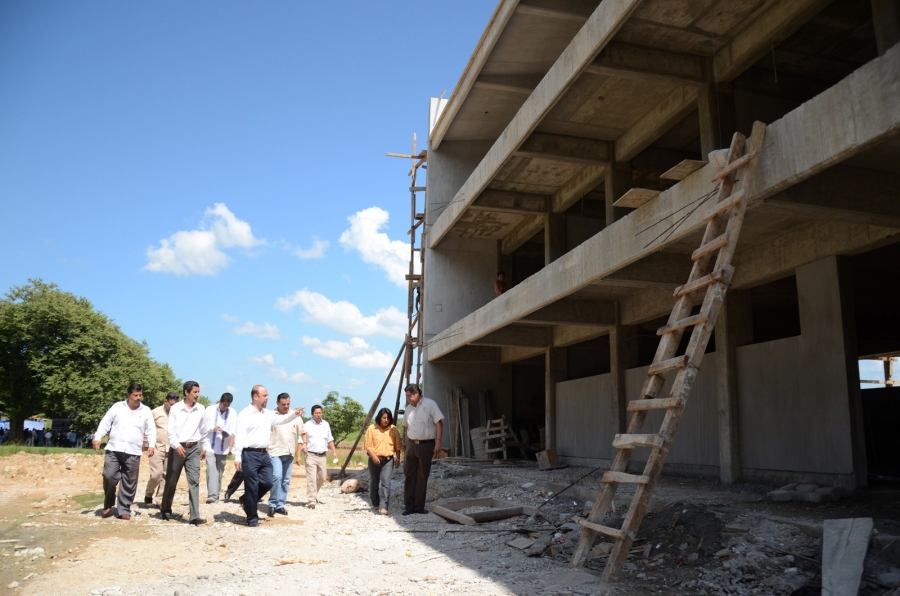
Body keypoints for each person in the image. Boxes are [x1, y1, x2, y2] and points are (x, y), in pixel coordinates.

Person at [233, 385, 304, 527]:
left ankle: (247, 501)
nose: (267, 398)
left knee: (268, 482)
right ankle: (252, 518)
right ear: (255, 397)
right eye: (265, 395)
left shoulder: (267, 414)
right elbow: (239, 436)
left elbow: (281, 420)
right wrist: (237, 456)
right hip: (250, 454)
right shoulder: (245, 414)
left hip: (264, 454)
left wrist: (294, 414)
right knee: (252, 486)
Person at [92, 383, 155, 520]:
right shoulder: (117, 407)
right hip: (114, 448)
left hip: (133, 450)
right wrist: (98, 437)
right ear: (128, 395)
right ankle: (108, 502)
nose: (138, 398)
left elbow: (151, 430)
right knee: (109, 476)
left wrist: (151, 445)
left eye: (140, 395)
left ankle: (124, 509)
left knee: (129, 481)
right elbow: (105, 422)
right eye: (135, 395)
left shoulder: (146, 411)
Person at [160, 381, 207, 526]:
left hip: (193, 448)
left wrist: (204, 447)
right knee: (172, 480)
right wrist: (176, 445)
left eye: (198, 392)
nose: (197, 395)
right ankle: (166, 509)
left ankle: (194, 515)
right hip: (177, 448)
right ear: (186, 392)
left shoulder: (201, 409)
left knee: (194, 480)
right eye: (195, 392)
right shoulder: (176, 409)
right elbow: (171, 431)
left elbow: (203, 429)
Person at [402, 384, 444, 516]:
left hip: (426, 445)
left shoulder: (430, 404)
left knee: (422, 475)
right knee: (409, 474)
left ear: (416, 394)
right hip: (411, 445)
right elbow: (406, 427)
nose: (408, 398)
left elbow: (439, 423)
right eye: (406, 396)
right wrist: (406, 445)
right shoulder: (408, 409)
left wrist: (438, 441)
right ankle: (409, 506)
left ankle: (419, 506)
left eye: (409, 395)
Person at [266, 393, 305, 517]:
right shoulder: (271, 416)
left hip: (289, 452)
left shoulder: (296, 416)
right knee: (277, 476)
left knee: (286, 480)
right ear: (277, 403)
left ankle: (280, 505)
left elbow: (303, 432)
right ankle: (272, 504)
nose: (286, 406)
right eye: (283, 404)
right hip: (275, 451)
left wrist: (304, 444)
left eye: (288, 404)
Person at [364, 408, 402, 515]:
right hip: (374, 460)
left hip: (388, 460)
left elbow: (398, 446)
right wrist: (373, 456)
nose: (386, 420)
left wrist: (398, 458)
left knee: (386, 482)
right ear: (379, 418)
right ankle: (375, 503)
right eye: (384, 418)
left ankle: (384, 506)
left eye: (388, 418)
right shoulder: (372, 428)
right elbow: (368, 446)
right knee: (374, 482)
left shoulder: (393, 429)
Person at [143, 392, 178, 506]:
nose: (172, 407)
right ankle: (149, 493)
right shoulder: (155, 412)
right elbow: (146, 428)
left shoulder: (178, 414)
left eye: (174, 405)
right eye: (170, 404)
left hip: (171, 448)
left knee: (167, 476)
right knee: (156, 474)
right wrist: (146, 445)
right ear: (165, 401)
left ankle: (160, 500)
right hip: (156, 447)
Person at [202, 393, 237, 504]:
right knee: (211, 468)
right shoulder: (210, 410)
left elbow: (234, 429)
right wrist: (213, 428)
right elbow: (203, 427)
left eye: (227, 405)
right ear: (220, 401)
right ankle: (212, 496)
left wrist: (228, 434)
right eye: (223, 404)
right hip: (210, 445)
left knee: (219, 470)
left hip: (223, 447)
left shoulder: (233, 413)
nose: (224, 407)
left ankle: (216, 494)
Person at [303, 404, 338, 510]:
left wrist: (334, 451)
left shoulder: (326, 424)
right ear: (312, 414)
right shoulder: (307, 425)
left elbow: (329, 439)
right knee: (311, 479)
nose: (318, 415)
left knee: (322, 478)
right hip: (311, 455)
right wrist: (302, 450)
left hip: (322, 455)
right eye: (316, 413)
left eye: (320, 413)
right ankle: (311, 501)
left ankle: (314, 494)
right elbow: (302, 440)